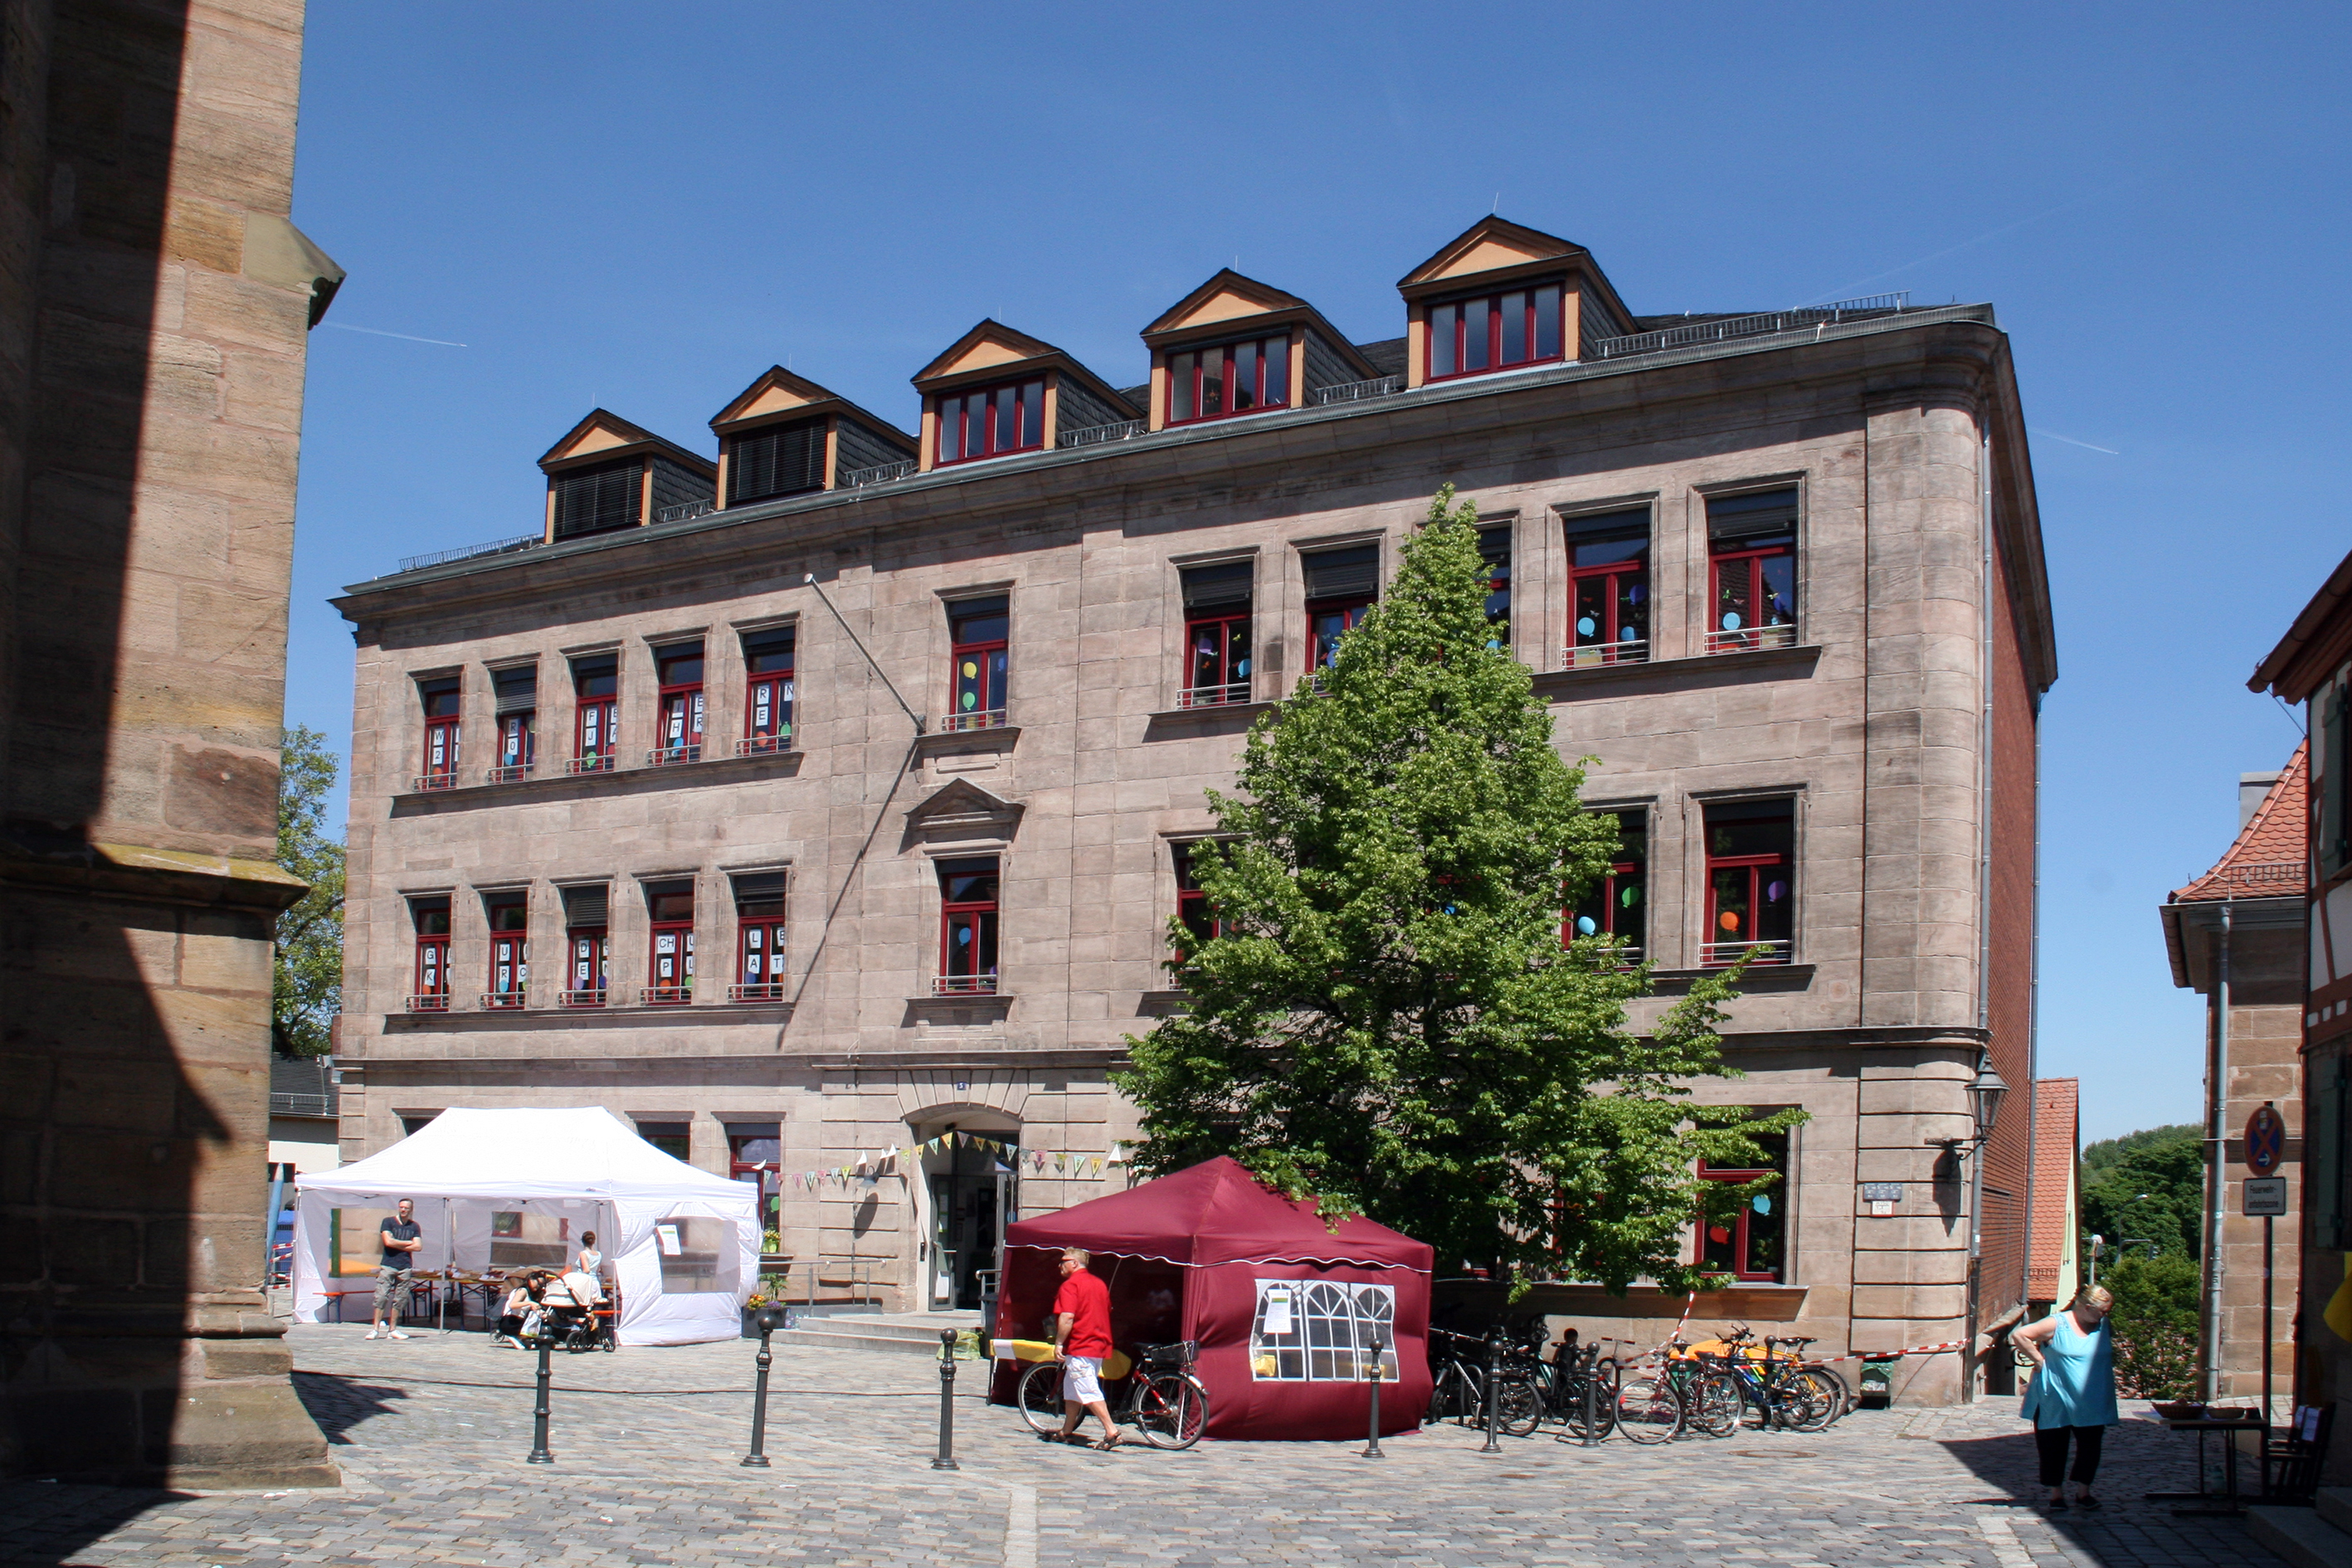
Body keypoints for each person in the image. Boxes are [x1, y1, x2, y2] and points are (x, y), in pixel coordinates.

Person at [2014, 1284, 2119, 1510]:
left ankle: (2083, 1492)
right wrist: (2038, 1360)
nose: (2105, 1315)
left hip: (2093, 1397)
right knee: (2053, 1445)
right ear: (2087, 1307)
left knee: (2090, 1446)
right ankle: (2056, 1494)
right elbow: (2020, 1335)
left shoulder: (2104, 1326)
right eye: (2102, 1311)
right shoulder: (2057, 1324)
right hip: (2056, 1396)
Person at [1049, 1247, 1118, 1449]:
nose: (1060, 1265)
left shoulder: (1071, 1285)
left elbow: (1067, 1316)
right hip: (1098, 1344)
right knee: (1073, 1389)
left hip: (1081, 1344)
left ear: (1074, 1263)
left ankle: (1111, 1431)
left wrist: (1059, 1342)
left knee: (1088, 1390)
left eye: (1063, 1261)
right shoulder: (1099, 1283)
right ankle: (1067, 1430)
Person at [368, 1198, 424, 1341]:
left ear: (411, 1210)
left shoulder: (414, 1226)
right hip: (388, 1265)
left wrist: (396, 1243)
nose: (403, 1210)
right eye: (401, 1207)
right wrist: (408, 1243)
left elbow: (418, 1246)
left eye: (406, 1208)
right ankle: (375, 1329)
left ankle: (393, 1329)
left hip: (405, 1266)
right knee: (381, 1296)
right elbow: (388, 1242)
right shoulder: (388, 1222)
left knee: (400, 1299)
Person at [494, 1274, 537, 1348]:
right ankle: (514, 1336)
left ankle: (522, 1339)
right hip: (511, 1321)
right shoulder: (522, 1291)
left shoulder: (530, 1292)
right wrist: (530, 1303)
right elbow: (512, 1305)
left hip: (517, 1319)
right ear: (530, 1281)